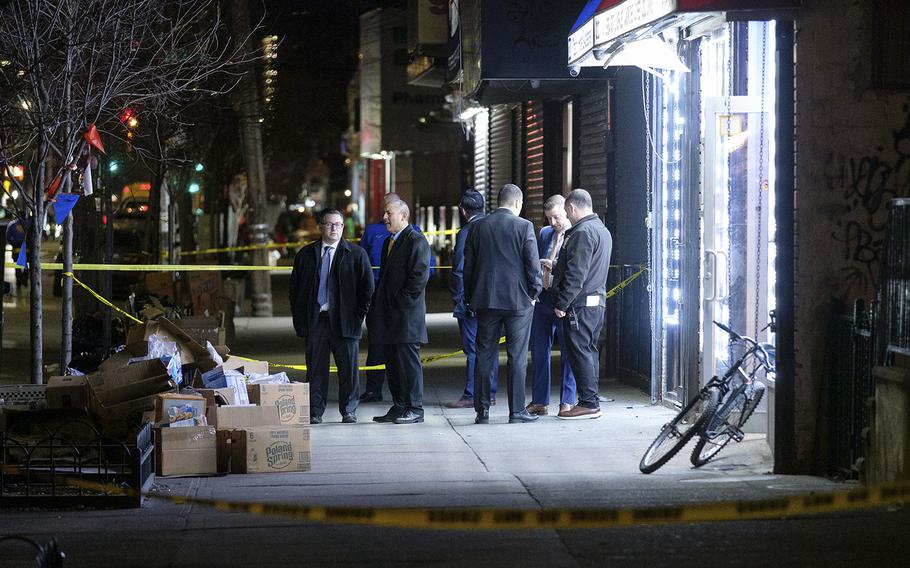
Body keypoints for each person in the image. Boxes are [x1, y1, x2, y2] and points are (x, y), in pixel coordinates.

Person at [464, 183, 542, 424]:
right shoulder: (524, 226)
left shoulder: (478, 226)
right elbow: (532, 264)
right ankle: (516, 410)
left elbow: (468, 266)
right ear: (517, 203)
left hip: (486, 301)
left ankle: (482, 410)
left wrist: (470, 297)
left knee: (484, 354)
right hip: (518, 302)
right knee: (517, 357)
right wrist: (534, 293)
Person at [289, 209, 374, 424]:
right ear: (321, 226)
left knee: (349, 369)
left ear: (343, 228)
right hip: (316, 320)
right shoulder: (306, 255)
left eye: (338, 225)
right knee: (316, 369)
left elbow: (367, 288)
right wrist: (300, 319)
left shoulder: (355, 254)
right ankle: (315, 411)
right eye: (329, 224)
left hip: (345, 321)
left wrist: (358, 316)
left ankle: (349, 410)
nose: (334, 228)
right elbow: (295, 290)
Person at [359, 193, 435, 403]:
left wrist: (399, 303)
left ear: (403, 216)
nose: (384, 217)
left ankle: (414, 407)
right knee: (392, 363)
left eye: (388, 213)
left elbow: (419, 279)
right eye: (384, 212)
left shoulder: (416, 240)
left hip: (406, 318)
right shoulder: (389, 243)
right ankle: (399, 405)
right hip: (389, 316)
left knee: (408, 365)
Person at [552, 189, 613, 420]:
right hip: (596, 302)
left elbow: (577, 274)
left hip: (580, 305)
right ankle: (590, 400)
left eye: (567, 212)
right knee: (589, 350)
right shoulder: (602, 230)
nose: (568, 217)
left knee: (580, 352)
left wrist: (562, 303)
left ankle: (588, 403)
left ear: (572, 208)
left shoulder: (582, 232)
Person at [446, 189, 499, 409]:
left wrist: (460, 299)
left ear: (462, 210)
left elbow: (459, 269)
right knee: (489, 347)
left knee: (473, 349)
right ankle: (489, 392)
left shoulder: (467, 231)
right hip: (493, 299)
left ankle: (472, 393)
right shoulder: (494, 228)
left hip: (471, 301)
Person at [526, 195, 576, 416]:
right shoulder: (545, 234)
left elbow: (576, 270)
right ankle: (540, 401)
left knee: (568, 350)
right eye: (549, 218)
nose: (553, 222)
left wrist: (554, 266)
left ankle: (567, 400)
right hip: (543, 298)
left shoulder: (575, 234)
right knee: (539, 350)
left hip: (563, 297)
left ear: (566, 211)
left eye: (556, 217)